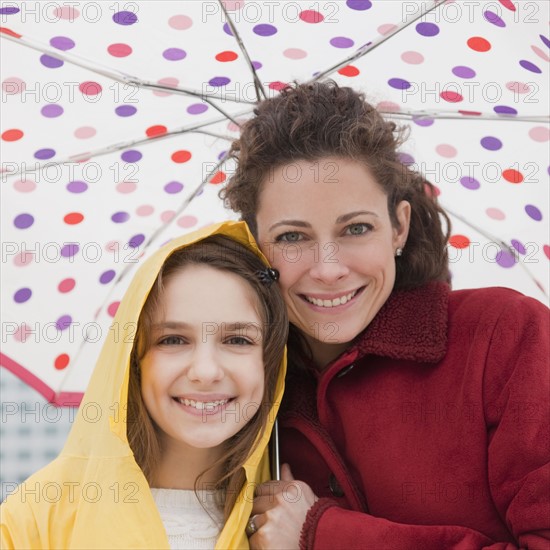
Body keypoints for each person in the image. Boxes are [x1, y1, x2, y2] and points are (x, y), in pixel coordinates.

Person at [221, 81, 550, 549]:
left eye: (356, 228)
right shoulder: (245, 387)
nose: (329, 269)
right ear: (255, 244)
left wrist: (324, 533)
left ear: (399, 225)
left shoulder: (506, 335)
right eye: (293, 237)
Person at [0, 221, 288, 550]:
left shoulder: (290, 520)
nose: (205, 372)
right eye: (173, 339)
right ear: (132, 358)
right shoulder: (38, 517)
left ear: (270, 361)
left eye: (237, 339)